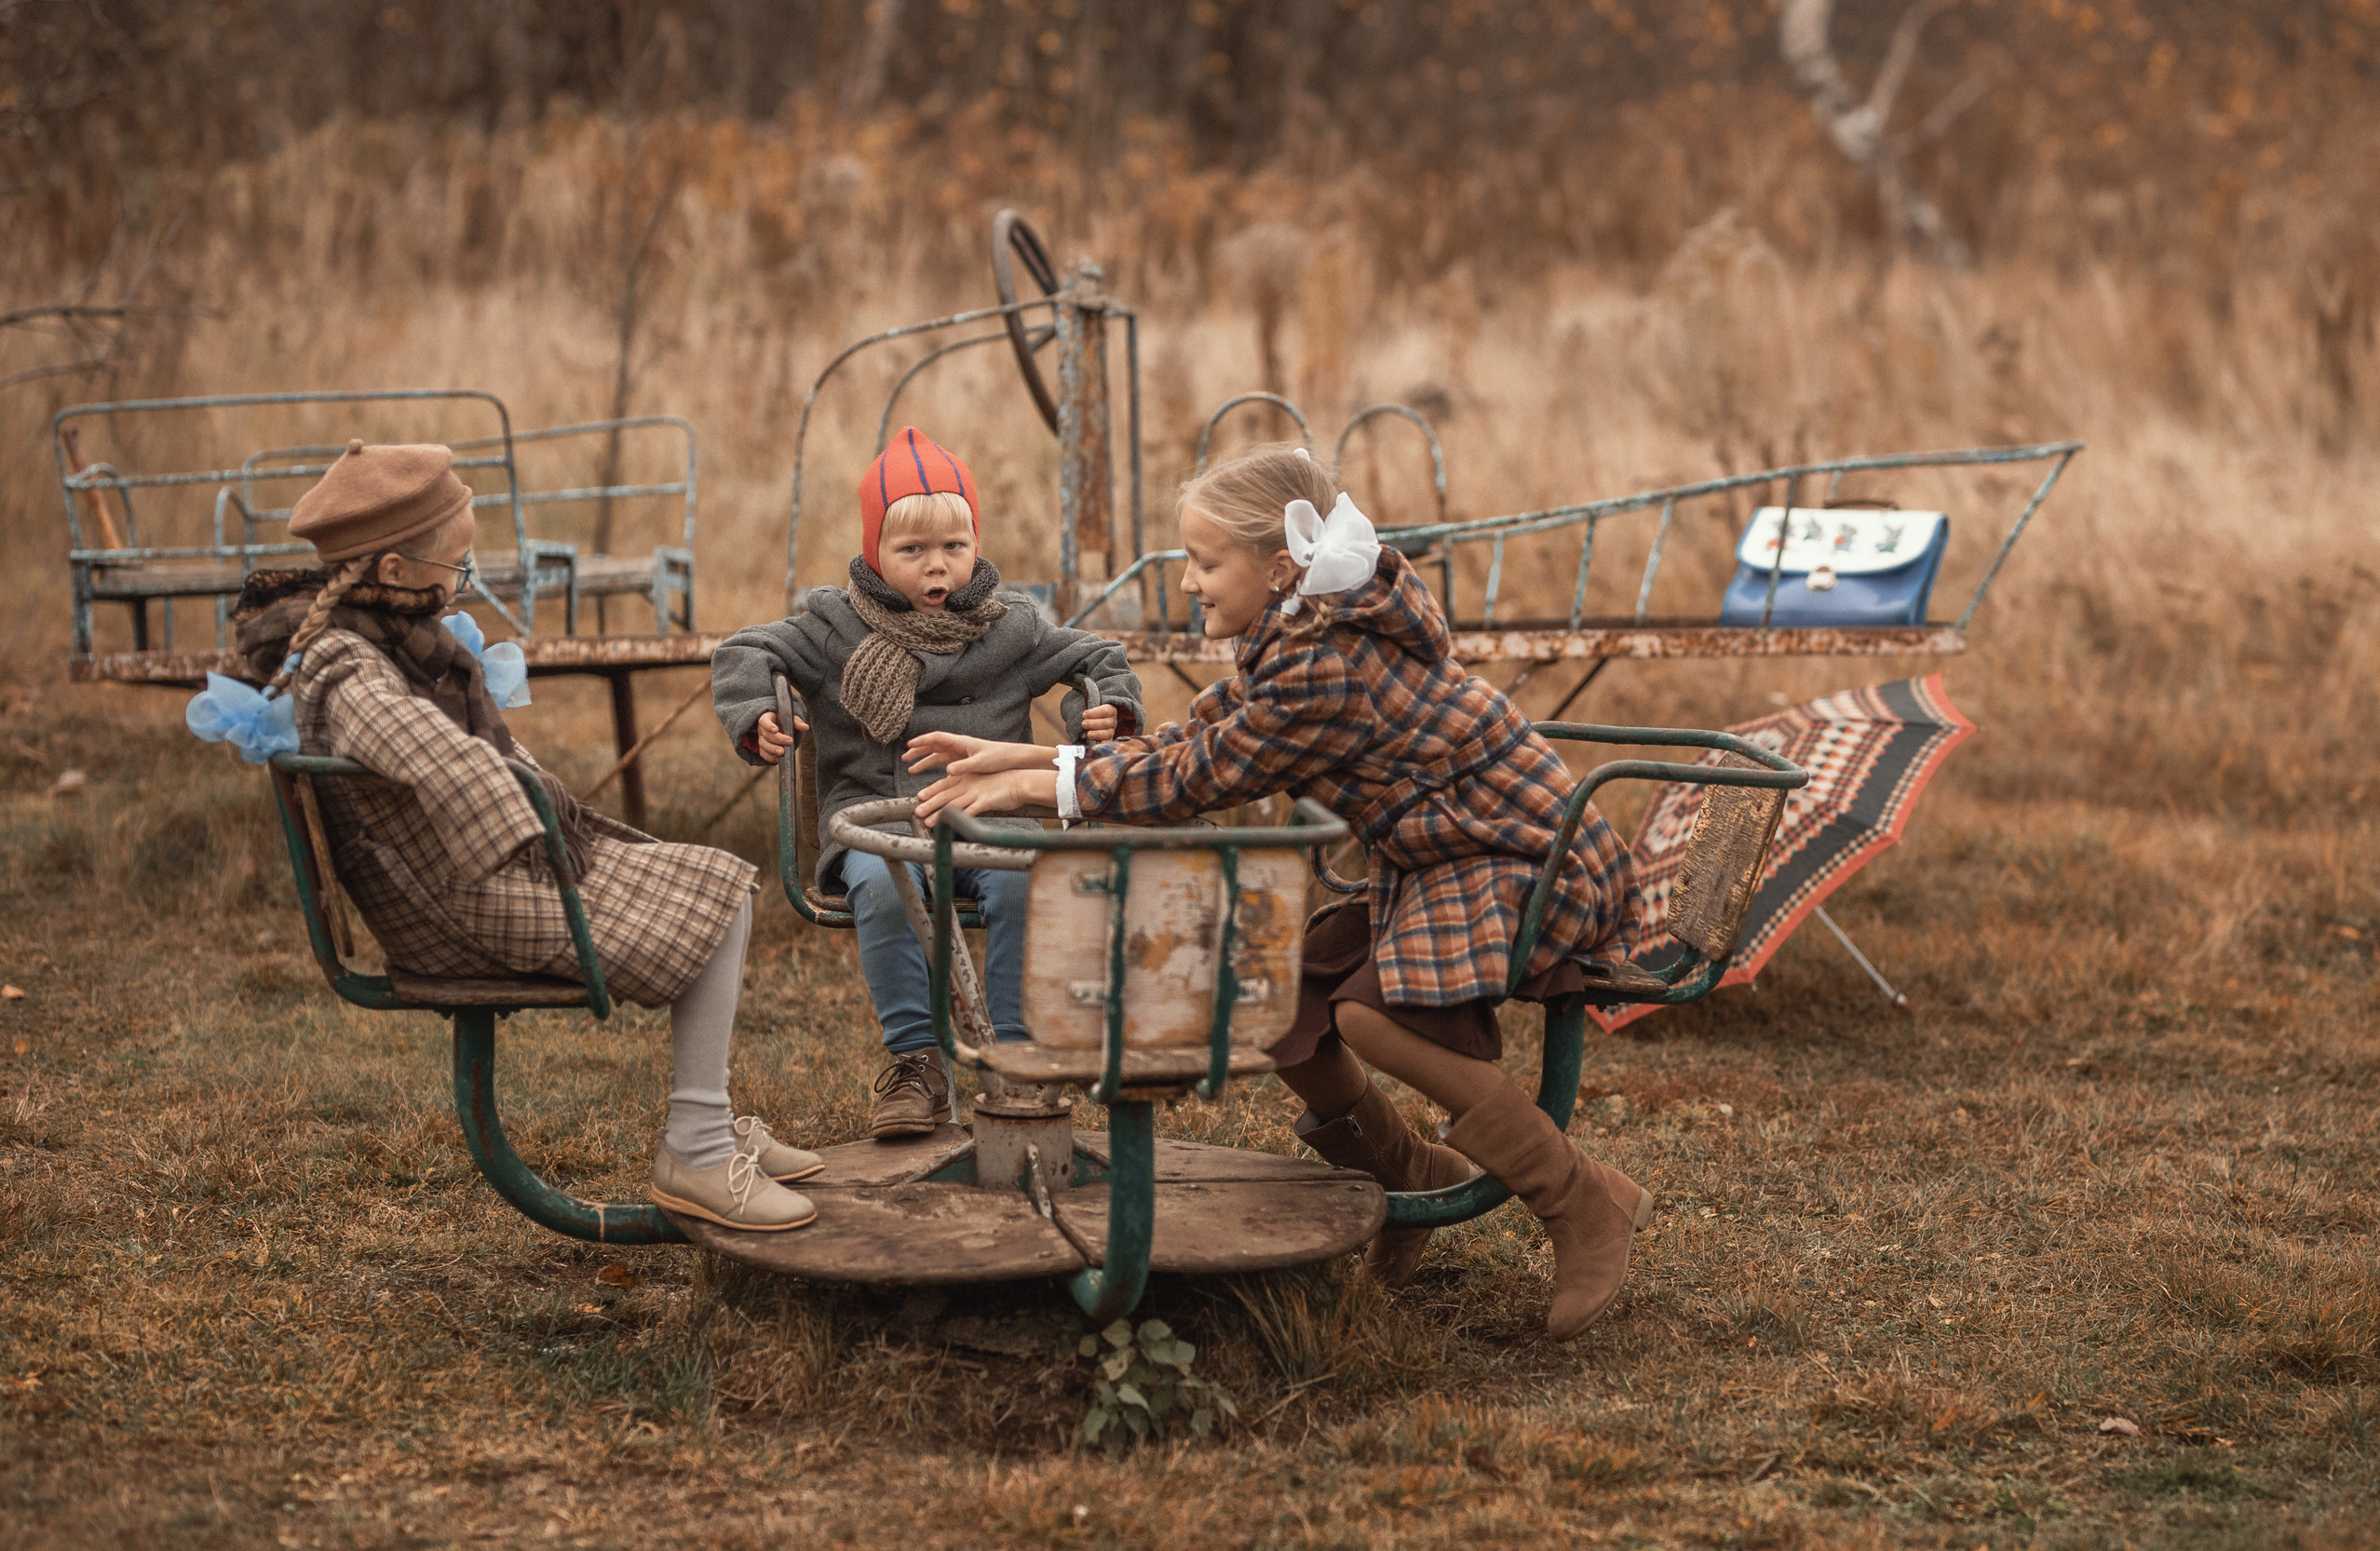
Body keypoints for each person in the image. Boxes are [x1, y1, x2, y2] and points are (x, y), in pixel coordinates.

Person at [907, 446, 1650, 1341]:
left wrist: (1042, 793)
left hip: (1524, 857)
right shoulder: (1294, 640)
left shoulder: (1321, 666)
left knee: (1375, 1014)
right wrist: (1026, 758)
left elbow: (1200, 775)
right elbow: (1199, 733)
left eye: (1205, 562)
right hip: (1445, 856)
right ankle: (1408, 1171)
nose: (1188, 581)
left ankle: (1576, 1195)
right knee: (1286, 1005)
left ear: (1280, 567)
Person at [229, 440, 820, 1234]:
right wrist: (529, 806)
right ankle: (699, 1149)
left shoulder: (387, 639)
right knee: (716, 901)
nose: (464, 581)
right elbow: (424, 749)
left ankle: (709, 1122)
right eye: (459, 565)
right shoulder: (346, 665)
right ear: (398, 573)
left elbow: (456, 745)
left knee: (716, 880)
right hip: (454, 908)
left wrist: (534, 799)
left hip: (463, 877)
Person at [710, 426, 1145, 1138]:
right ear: (876, 553)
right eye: (912, 551)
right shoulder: (835, 626)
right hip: (881, 817)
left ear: (976, 545)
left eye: (953, 547)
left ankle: (1012, 1055)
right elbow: (745, 649)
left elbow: (1097, 655)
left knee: (1020, 876)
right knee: (886, 885)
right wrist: (758, 709)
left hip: (989, 806)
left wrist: (1103, 706)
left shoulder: (1010, 630)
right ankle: (916, 1063)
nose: (935, 568)